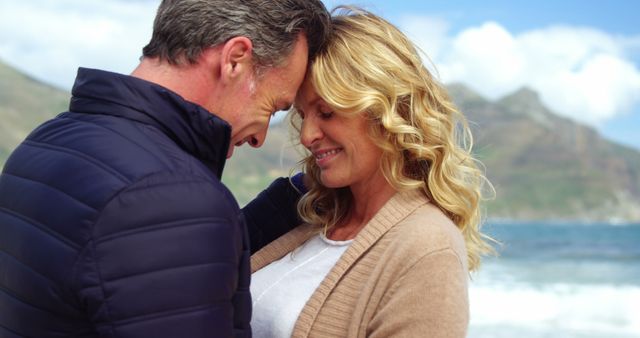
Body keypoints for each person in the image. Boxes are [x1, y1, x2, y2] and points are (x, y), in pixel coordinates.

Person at [0, 0, 330, 337]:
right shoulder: (172, 198)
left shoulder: (47, 141)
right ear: (235, 59)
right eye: (274, 107)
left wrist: (299, 195)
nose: (260, 137)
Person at [250, 7, 495, 338]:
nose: (307, 136)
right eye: (303, 114)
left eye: (326, 111)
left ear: (386, 110)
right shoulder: (307, 211)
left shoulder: (428, 247)